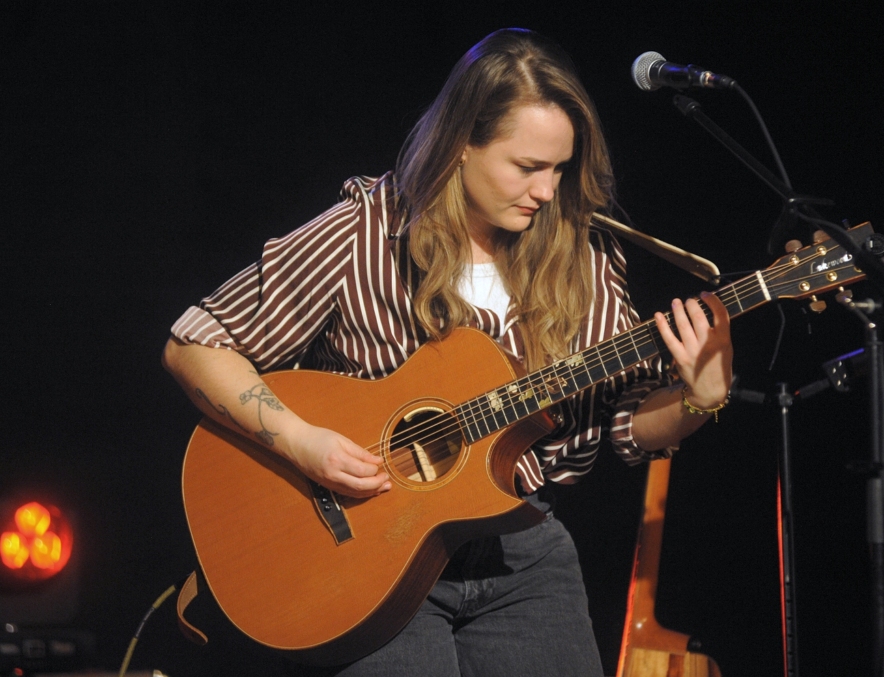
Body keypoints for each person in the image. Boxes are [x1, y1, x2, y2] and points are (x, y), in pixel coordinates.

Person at [163, 28, 733, 677]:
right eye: (527, 167)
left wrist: (698, 397)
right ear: (463, 144)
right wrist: (301, 441)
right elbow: (197, 343)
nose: (548, 191)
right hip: (368, 551)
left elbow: (622, 424)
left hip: (519, 549)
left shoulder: (585, 257)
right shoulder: (367, 230)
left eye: (560, 168)